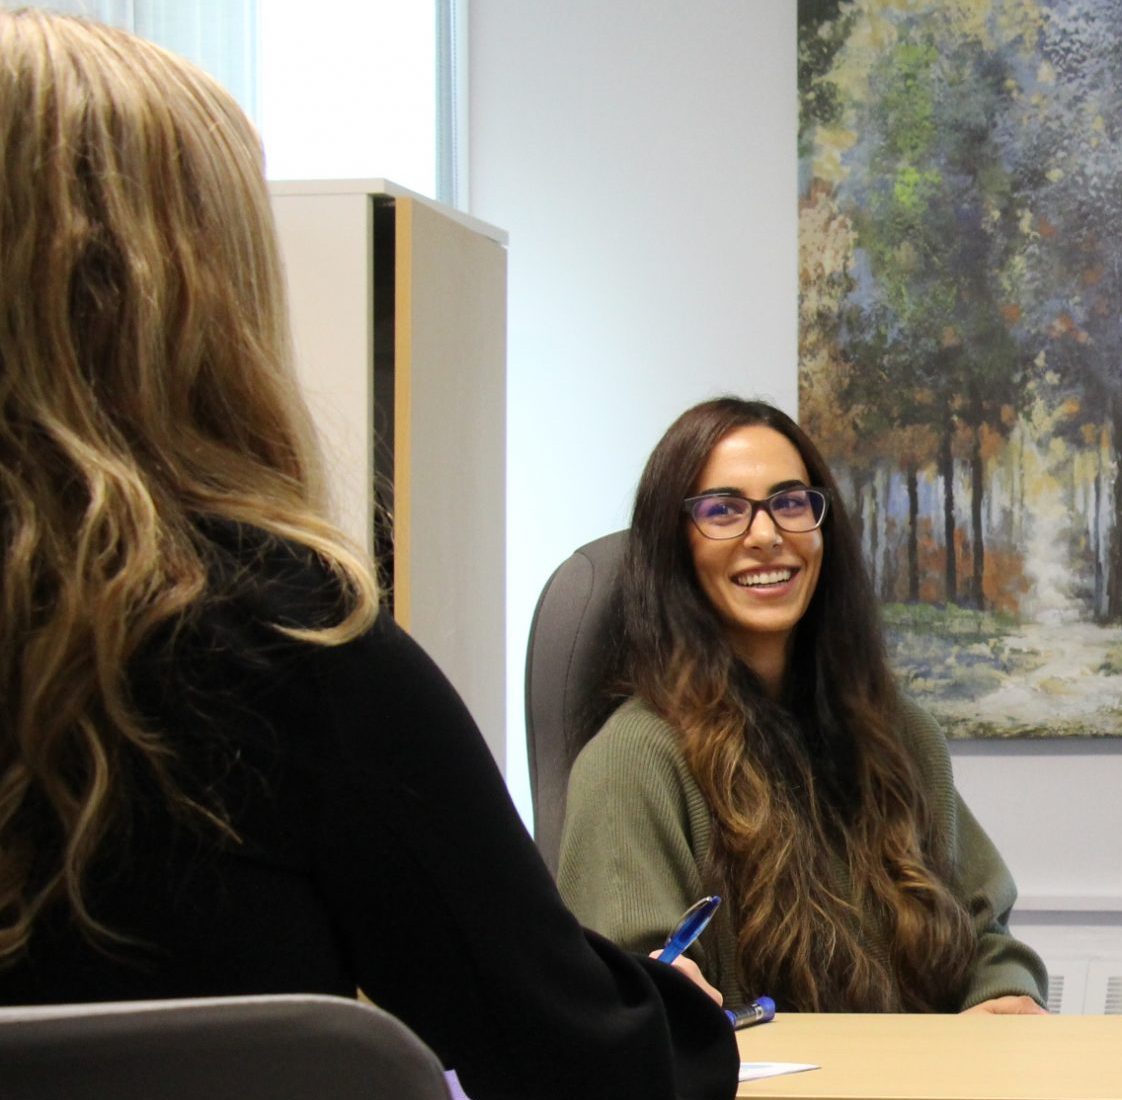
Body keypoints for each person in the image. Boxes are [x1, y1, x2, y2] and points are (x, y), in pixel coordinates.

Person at [0, 11, 738, 1098]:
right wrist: (671, 1009)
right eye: (724, 505)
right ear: (201, 292)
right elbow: (581, 1062)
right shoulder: (287, 646)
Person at [557, 398, 1047, 1015]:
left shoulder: (896, 732)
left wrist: (1002, 993)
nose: (766, 535)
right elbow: (633, 1008)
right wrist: (664, 999)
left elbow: (984, 939)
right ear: (673, 547)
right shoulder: (635, 760)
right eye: (723, 510)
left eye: (790, 502)